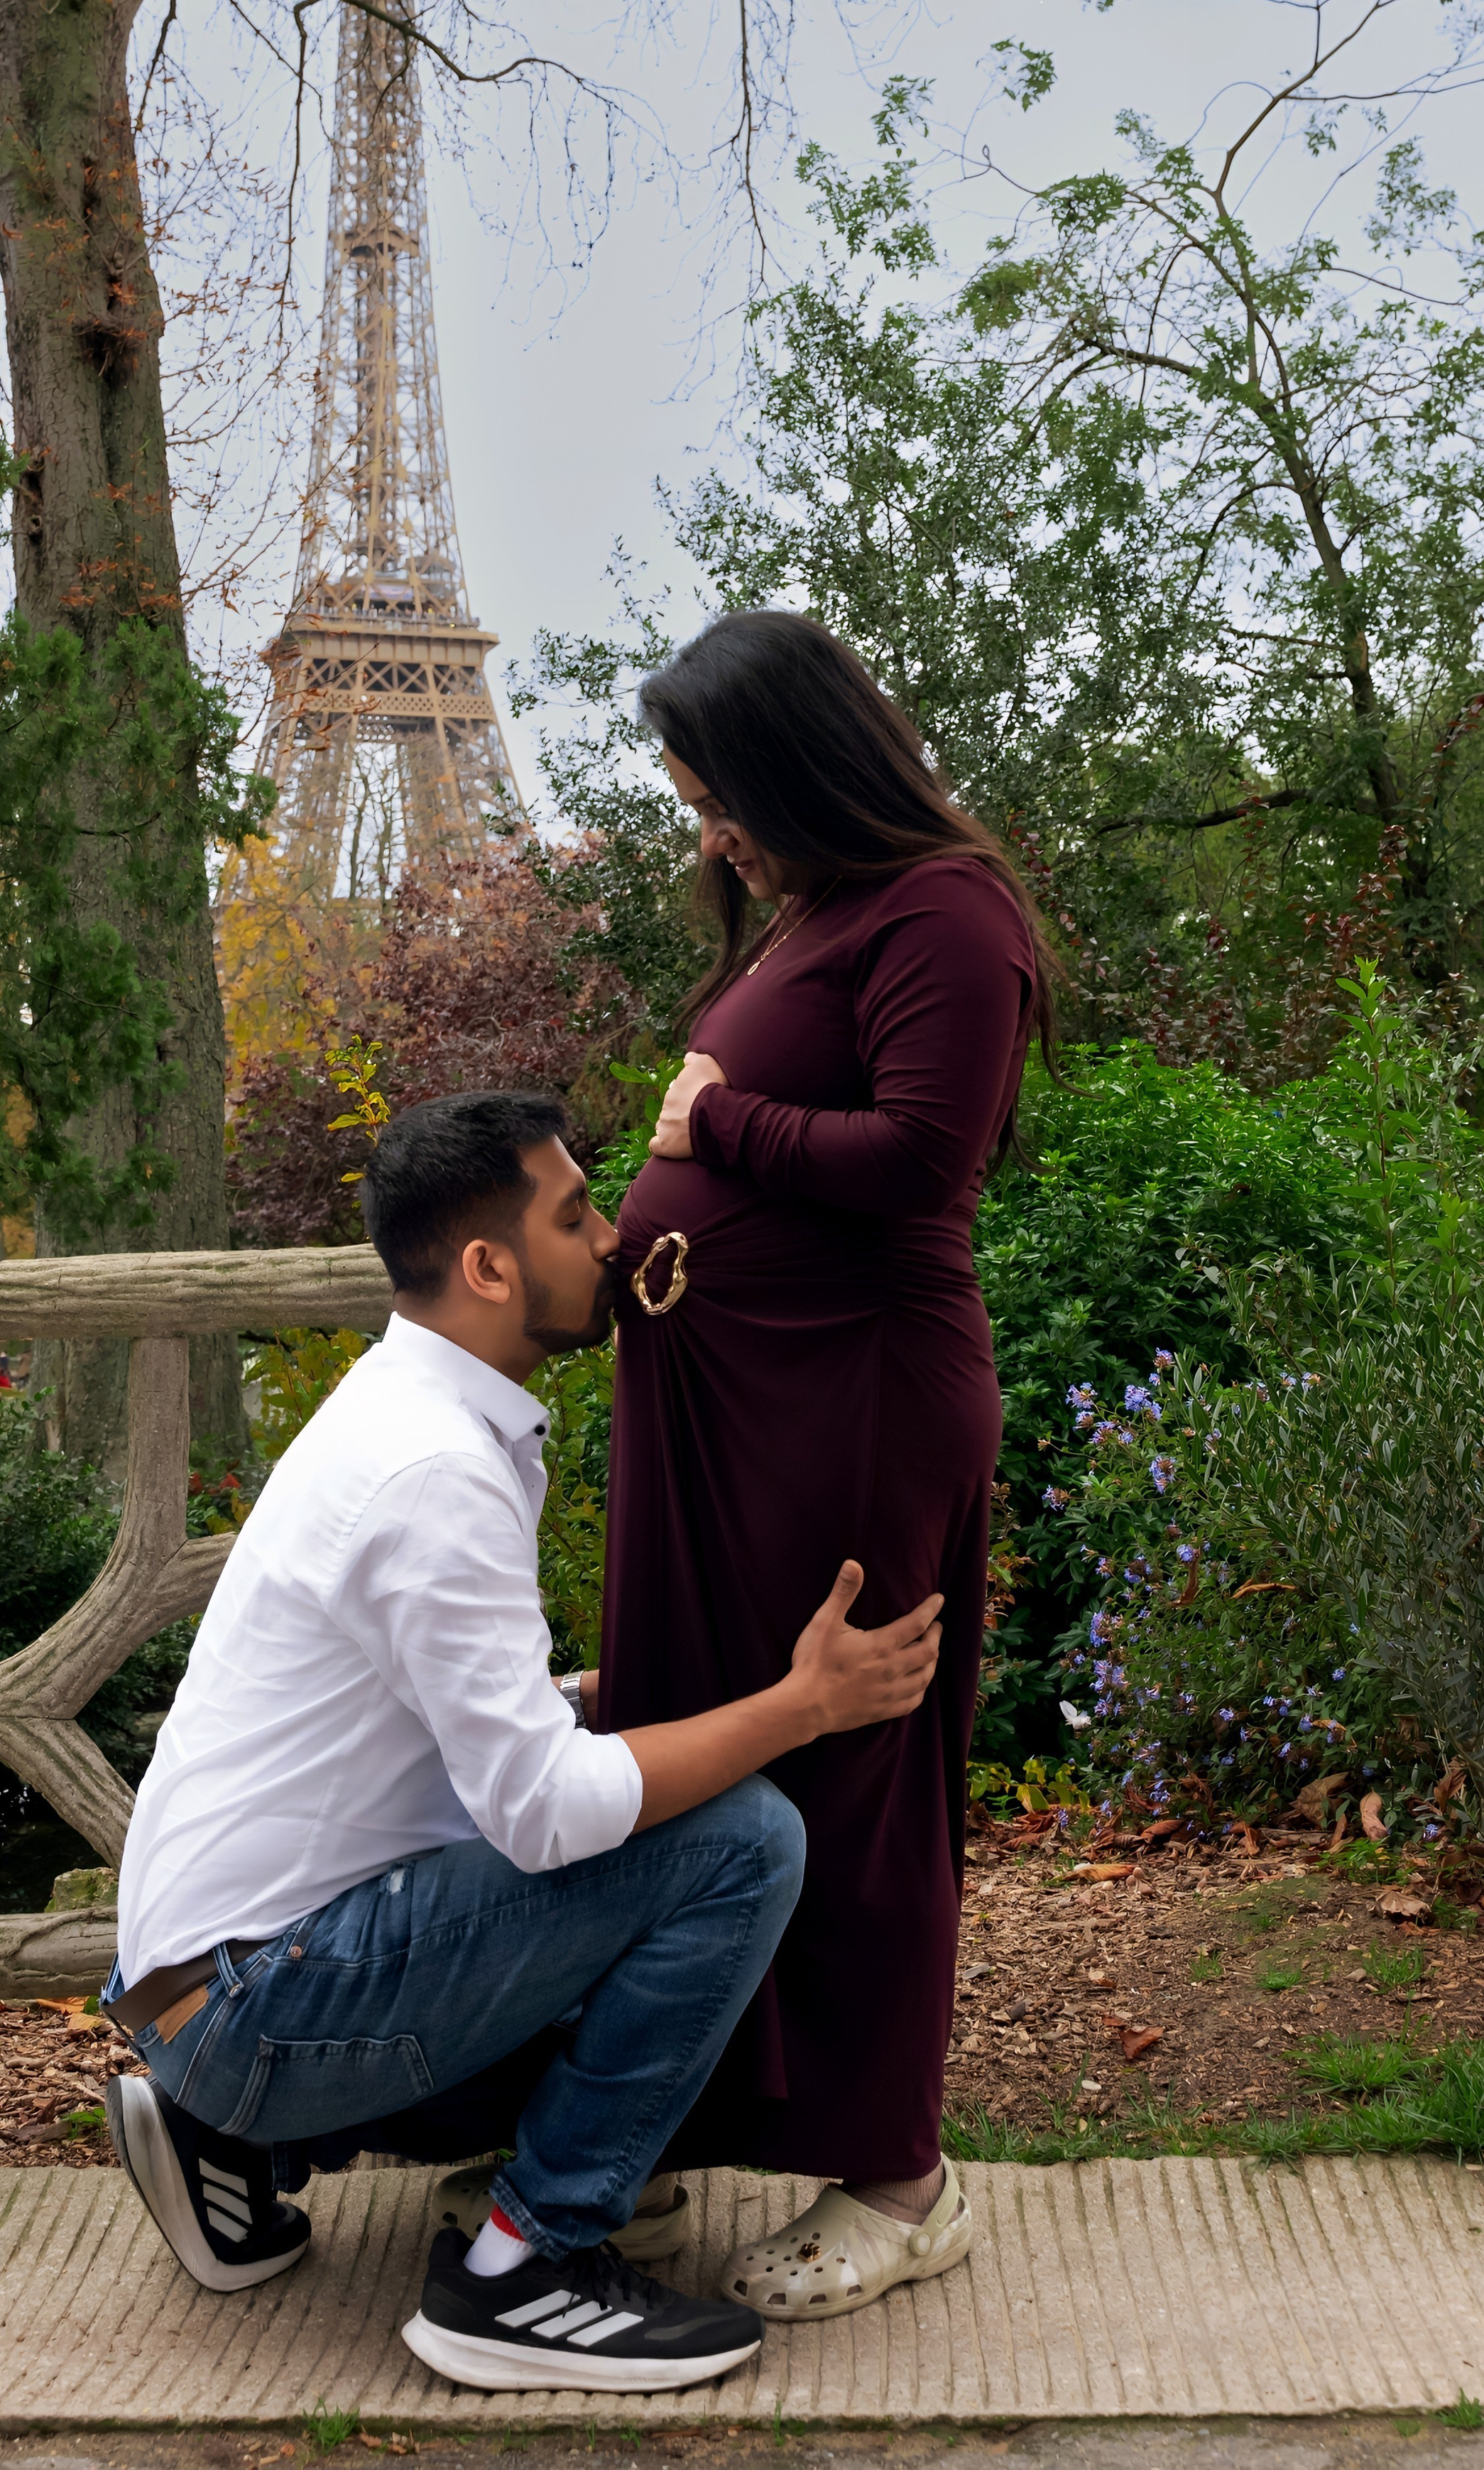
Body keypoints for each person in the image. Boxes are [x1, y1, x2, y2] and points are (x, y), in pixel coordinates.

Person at [101, 1089, 944, 2395]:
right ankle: (524, 2270)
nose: (612, 1238)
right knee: (742, 1844)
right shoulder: (434, 1470)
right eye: (576, 1213)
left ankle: (229, 2143)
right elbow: (544, 1817)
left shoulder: (407, 1412)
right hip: (264, 2003)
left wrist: (604, 1694)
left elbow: (438, 1732)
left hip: (206, 1983)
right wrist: (799, 1706)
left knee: (633, 1845)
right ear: (490, 1266)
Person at [597, 611, 1055, 2320]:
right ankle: (657, 2123)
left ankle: (897, 2177)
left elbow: (925, 1160)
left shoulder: (946, 908)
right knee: (701, 1753)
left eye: (714, 791)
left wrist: (712, 1125)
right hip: (731, 1414)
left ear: (795, 762)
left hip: (850, 1406)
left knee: (852, 1774)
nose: (705, 828)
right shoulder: (815, 909)